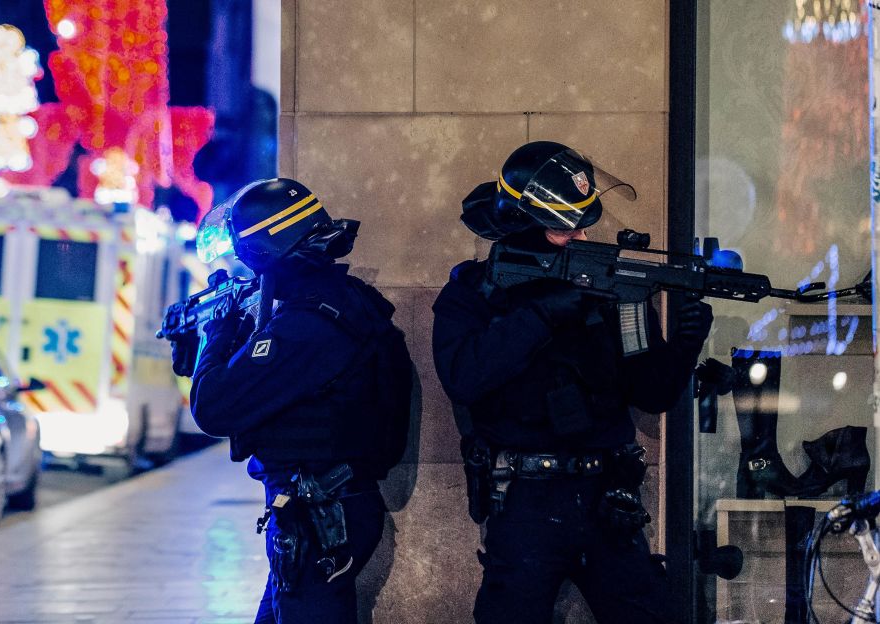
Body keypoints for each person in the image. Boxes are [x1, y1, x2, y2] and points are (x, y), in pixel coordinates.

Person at [431, 141, 712, 624]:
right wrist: (542, 315)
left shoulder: (611, 289)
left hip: (607, 497)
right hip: (523, 499)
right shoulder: (475, 291)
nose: (580, 238)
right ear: (524, 223)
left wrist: (685, 344)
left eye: (583, 225)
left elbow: (652, 393)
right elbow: (464, 377)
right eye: (564, 229)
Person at [170, 178, 412, 624]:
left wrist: (216, 336)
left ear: (264, 250)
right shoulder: (337, 303)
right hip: (322, 508)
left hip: (320, 514)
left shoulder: (308, 325)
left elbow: (213, 408)